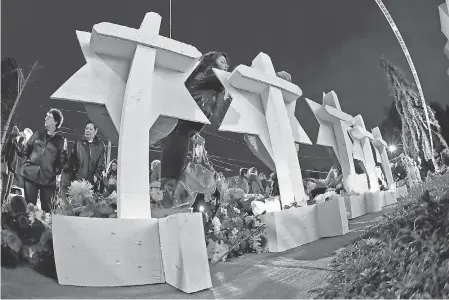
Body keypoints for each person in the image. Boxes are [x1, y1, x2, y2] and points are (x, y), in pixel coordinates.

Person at [159, 51, 292, 207]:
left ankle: (168, 208)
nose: (227, 65)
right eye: (222, 61)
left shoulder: (212, 86)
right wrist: (271, 78)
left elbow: (224, 105)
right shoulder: (208, 74)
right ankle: (164, 210)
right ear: (211, 63)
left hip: (181, 132)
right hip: (177, 131)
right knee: (170, 180)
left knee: (173, 180)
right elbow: (238, 79)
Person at [11, 108, 67, 212]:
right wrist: (27, 162)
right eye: (46, 116)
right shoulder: (38, 133)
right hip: (31, 174)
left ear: (56, 121)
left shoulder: (61, 140)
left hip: (48, 179)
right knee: (30, 207)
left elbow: (62, 160)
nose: (46, 118)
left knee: (47, 210)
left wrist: (54, 172)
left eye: (49, 117)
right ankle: (29, 227)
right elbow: (27, 149)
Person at [67, 121, 106, 192]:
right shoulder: (78, 143)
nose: (88, 130)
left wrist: (97, 175)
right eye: (86, 128)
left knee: (90, 202)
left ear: (95, 131)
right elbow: (71, 161)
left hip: (92, 184)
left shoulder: (100, 145)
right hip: (78, 182)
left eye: (90, 129)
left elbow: (101, 163)